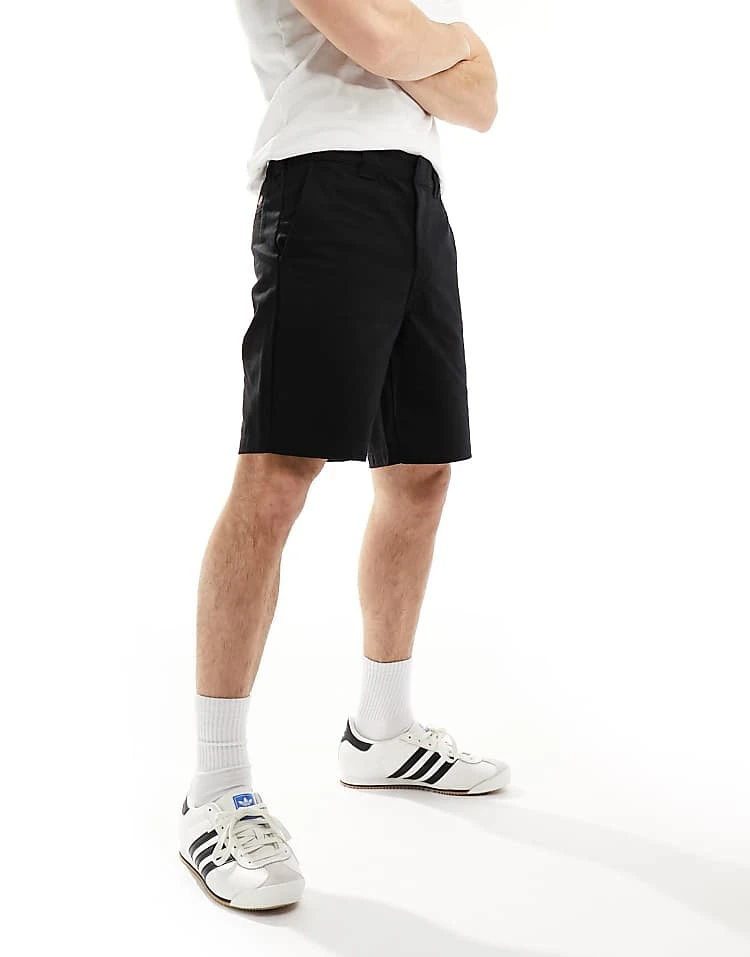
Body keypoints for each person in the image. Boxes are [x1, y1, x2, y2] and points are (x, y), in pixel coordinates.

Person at [179, 0, 508, 911]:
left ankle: (382, 731)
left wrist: (434, 54)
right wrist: (452, 45)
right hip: (321, 186)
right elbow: (384, 39)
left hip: (416, 193)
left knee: (421, 471)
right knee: (277, 478)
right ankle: (214, 787)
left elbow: (482, 105)